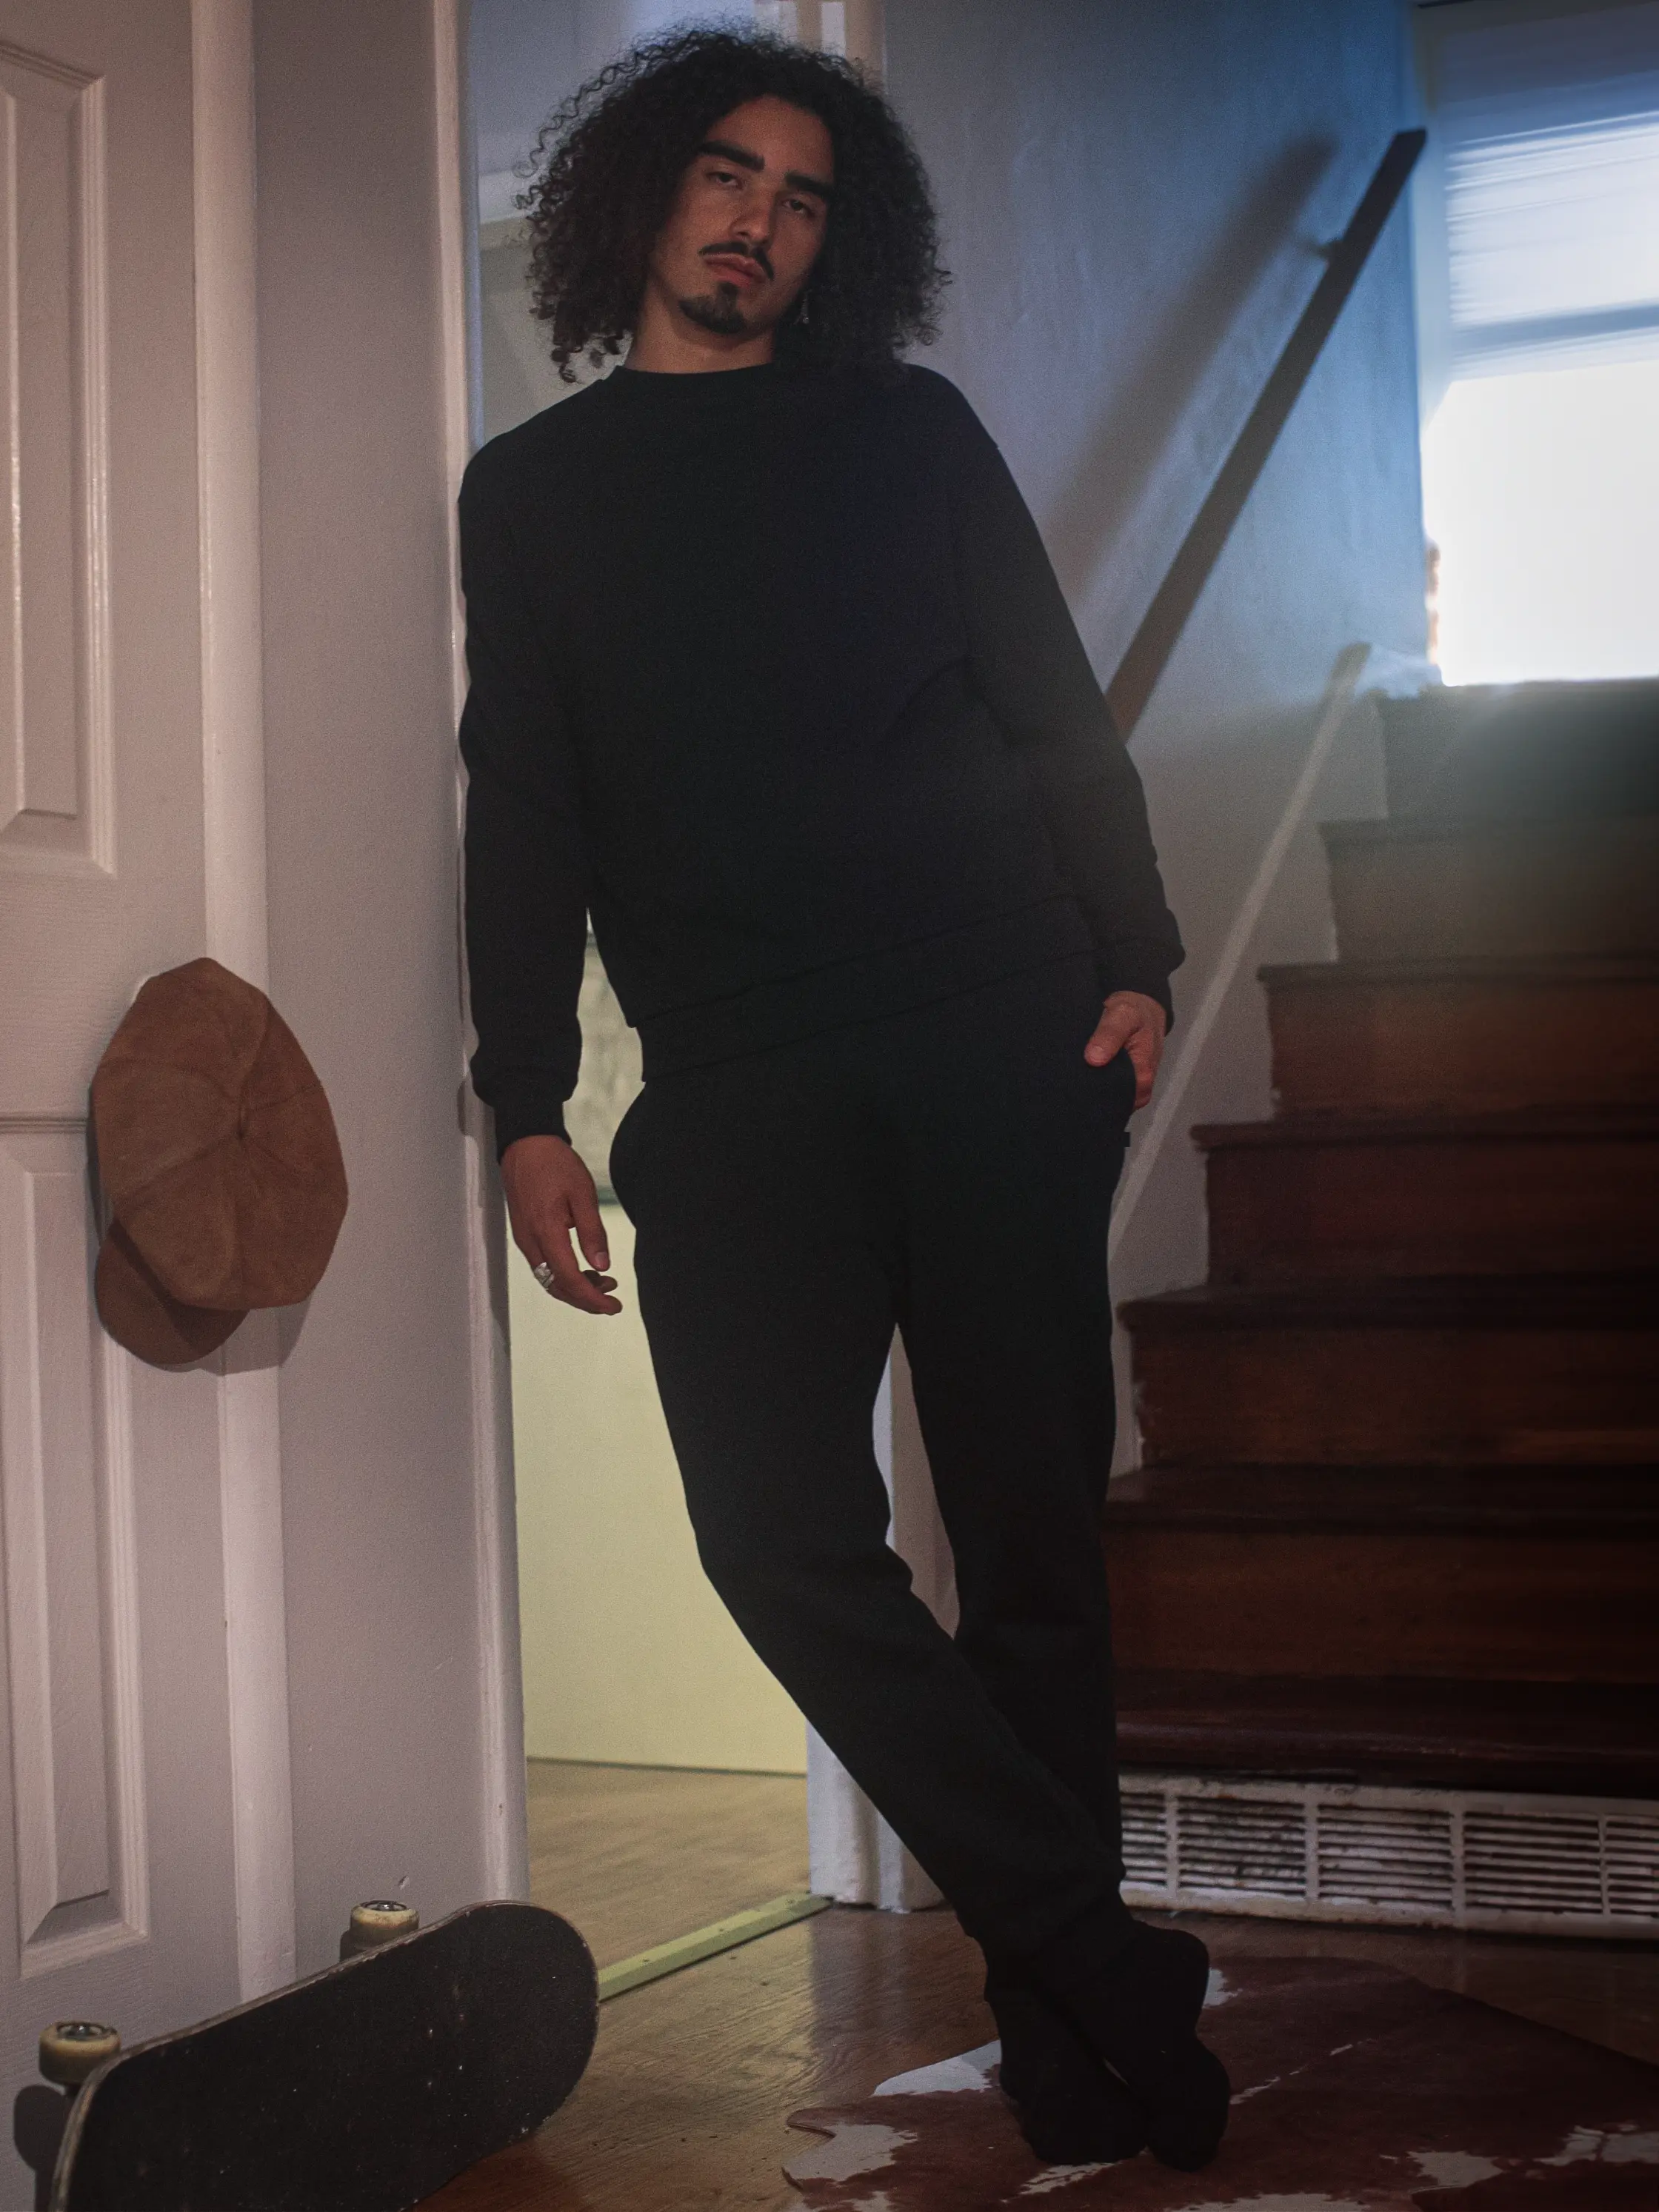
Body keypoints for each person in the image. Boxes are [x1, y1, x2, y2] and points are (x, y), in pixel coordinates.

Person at [458, 27, 1226, 2173]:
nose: (757, 222)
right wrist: (526, 1095)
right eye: (724, 174)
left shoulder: (909, 433)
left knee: (1032, 1556)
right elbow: (522, 805)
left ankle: (1077, 2043)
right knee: (781, 1536)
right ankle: (1109, 1947)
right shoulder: (533, 493)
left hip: (999, 1043)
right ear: (637, 195)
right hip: (739, 1089)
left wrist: (1143, 954)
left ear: (838, 240)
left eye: (803, 197)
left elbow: (1052, 706)